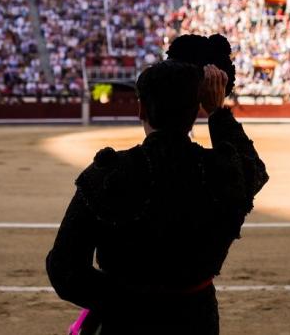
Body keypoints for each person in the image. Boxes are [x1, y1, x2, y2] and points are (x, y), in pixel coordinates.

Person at [46, 52, 268, 334]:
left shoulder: (109, 174)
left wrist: (125, 299)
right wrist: (218, 112)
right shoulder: (220, 171)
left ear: (141, 110)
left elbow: (65, 270)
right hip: (195, 321)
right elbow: (253, 169)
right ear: (196, 110)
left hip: (125, 324)